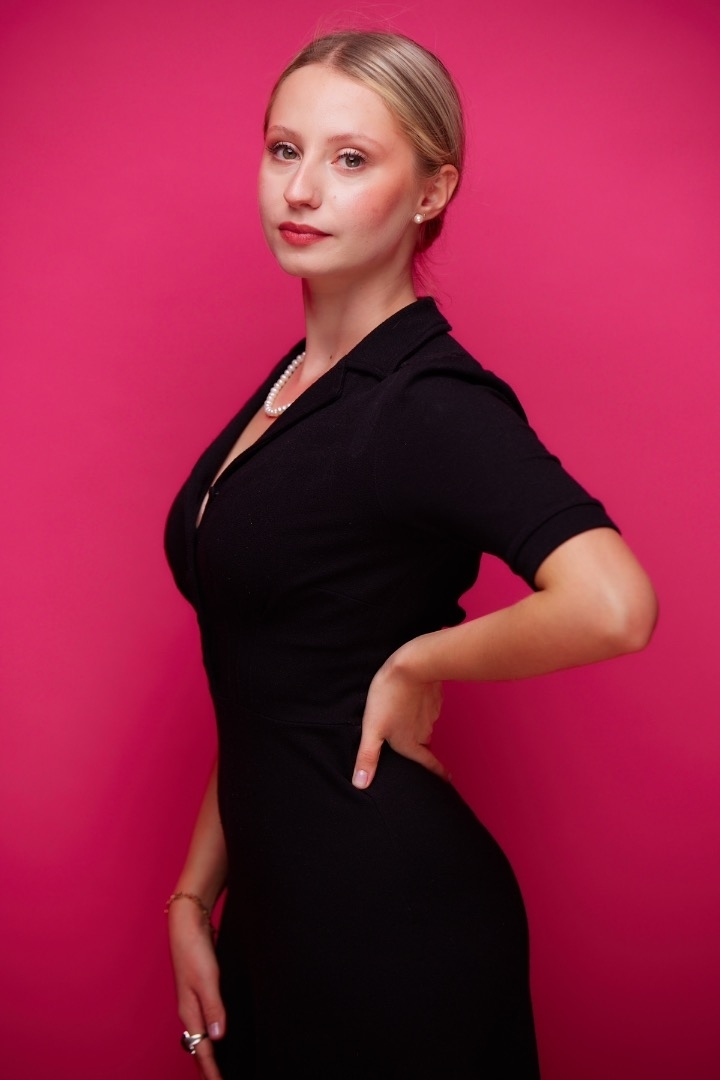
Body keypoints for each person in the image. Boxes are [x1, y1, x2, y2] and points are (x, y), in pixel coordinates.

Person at [163, 29, 657, 1079]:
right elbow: (267, 678)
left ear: (433, 190)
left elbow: (615, 603)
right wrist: (192, 897)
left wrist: (417, 660)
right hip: (274, 916)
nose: (302, 189)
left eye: (351, 159)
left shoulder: (425, 400)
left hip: (392, 933)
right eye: (284, 149)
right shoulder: (298, 381)